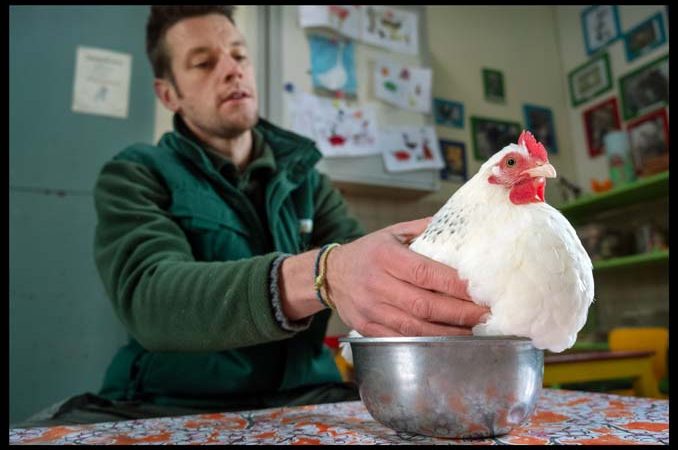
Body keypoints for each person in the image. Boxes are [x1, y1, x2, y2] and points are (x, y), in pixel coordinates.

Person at [18, 5, 489, 427]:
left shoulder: (305, 177)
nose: (230, 70)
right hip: (171, 402)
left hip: (306, 394)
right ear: (168, 95)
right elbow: (149, 297)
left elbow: (372, 271)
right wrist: (324, 274)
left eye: (239, 56)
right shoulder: (136, 173)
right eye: (203, 63)